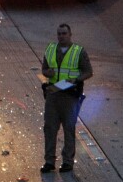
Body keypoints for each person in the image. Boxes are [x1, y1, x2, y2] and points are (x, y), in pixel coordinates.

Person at [40, 23, 93, 173]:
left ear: (70, 35)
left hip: (70, 95)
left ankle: (67, 162)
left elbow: (88, 72)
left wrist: (76, 80)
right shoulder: (50, 49)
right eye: (59, 34)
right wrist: (47, 73)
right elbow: (44, 69)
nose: (61, 36)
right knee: (50, 128)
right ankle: (49, 161)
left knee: (69, 128)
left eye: (64, 33)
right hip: (53, 93)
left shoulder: (78, 52)